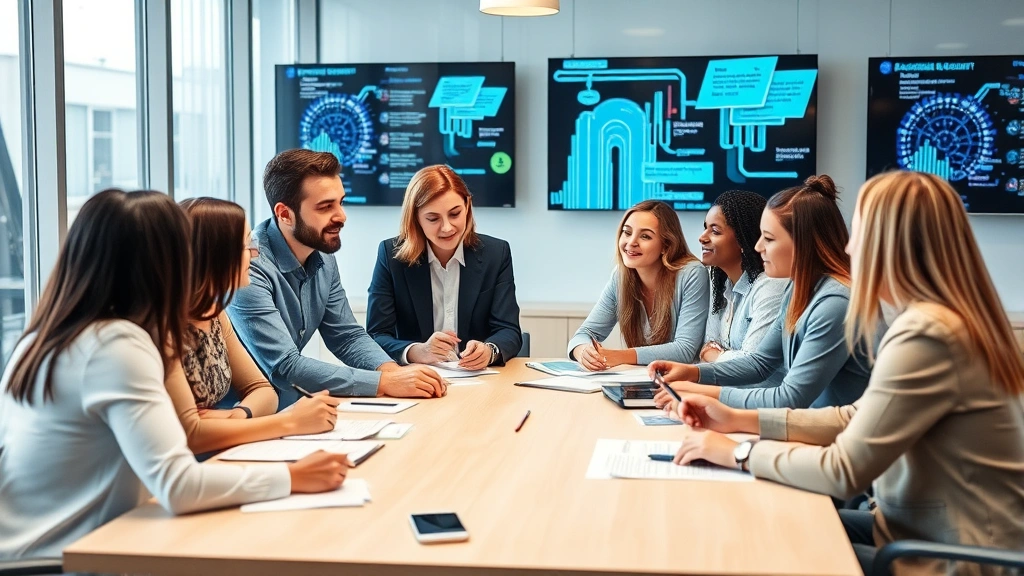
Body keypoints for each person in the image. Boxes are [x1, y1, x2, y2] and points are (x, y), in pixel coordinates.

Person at [661, 171, 1024, 575]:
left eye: (861, 233)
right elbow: (855, 416)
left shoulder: (929, 334)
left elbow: (844, 471)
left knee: (759, 549)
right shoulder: (935, 321)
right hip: (911, 529)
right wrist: (734, 418)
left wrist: (738, 451)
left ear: (891, 245)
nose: (850, 245)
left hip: (957, 556)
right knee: (757, 526)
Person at [0, 190, 350, 561]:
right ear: (161, 261)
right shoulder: (117, 345)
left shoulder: (47, 336)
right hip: (67, 558)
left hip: (46, 548)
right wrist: (294, 477)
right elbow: (178, 484)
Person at [226, 149, 446, 409]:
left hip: (288, 407)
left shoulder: (321, 253)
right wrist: (382, 383)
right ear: (284, 214)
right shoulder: (249, 266)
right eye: (325, 207)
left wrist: (392, 372)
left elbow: (346, 336)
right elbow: (285, 366)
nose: (341, 216)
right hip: (238, 416)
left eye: (340, 202)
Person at [653, 175, 870, 409]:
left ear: (804, 243)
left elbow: (790, 398)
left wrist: (702, 392)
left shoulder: (834, 302)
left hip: (830, 437)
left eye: (768, 238)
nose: (757, 247)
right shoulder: (801, 291)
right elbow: (759, 363)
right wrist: (692, 372)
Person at [165, 198, 340, 455]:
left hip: (220, 453)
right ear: (213, 254)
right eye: (246, 244)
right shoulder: (162, 328)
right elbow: (191, 435)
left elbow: (262, 390)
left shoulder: (214, 315)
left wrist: (236, 417)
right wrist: (290, 422)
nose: (255, 253)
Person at [366, 165, 522, 368]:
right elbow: (376, 335)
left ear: (467, 206)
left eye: (455, 214)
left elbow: (509, 330)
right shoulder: (391, 255)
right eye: (433, 218)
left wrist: (489, 351)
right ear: (416, 219)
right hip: (416, 379)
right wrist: (417, 351)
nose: (447, 227)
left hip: (480, 381)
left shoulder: (496, 253)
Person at [567, 200, 709, 368]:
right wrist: (584, 351)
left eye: (645, 236)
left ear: (666, 245)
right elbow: (584, 334)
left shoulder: (691, 273)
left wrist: (619, 356)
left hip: (684, 385)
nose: (631, 242)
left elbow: (685, 350)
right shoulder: (620, 277)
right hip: (641, 380)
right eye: (627, 233)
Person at [697, 190, 787, 363]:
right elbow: (708, 345)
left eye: (715, 231)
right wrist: (718, 354)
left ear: (743, 239)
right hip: (729, 388)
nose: (702, 237)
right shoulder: (725, 287)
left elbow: (752, 364)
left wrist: (717, 355)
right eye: (705, 228)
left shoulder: (770, 286)